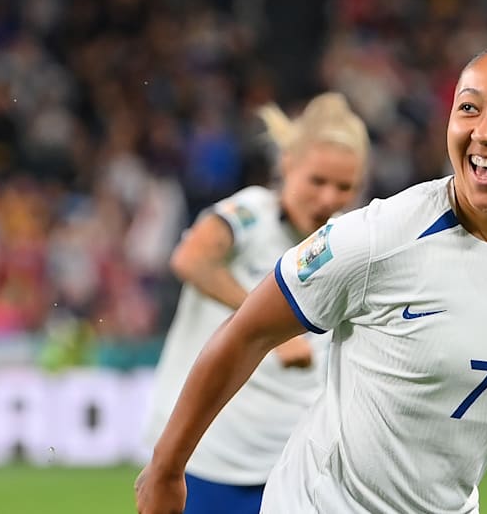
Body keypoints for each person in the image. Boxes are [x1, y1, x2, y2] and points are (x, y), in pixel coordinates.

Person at [136, 42, 487, 514]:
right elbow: (246, 333)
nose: (484, 131)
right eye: (468, 108)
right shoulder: (376, 238)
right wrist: (166, 471)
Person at [141, 92, 369, 514]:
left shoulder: (347, 244)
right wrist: (269, 330)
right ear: (287, 166)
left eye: (345, 187)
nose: (328, 199)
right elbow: (191, 258)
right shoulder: (251, 213)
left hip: (294, 464)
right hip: (209, 458)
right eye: (317, 181)